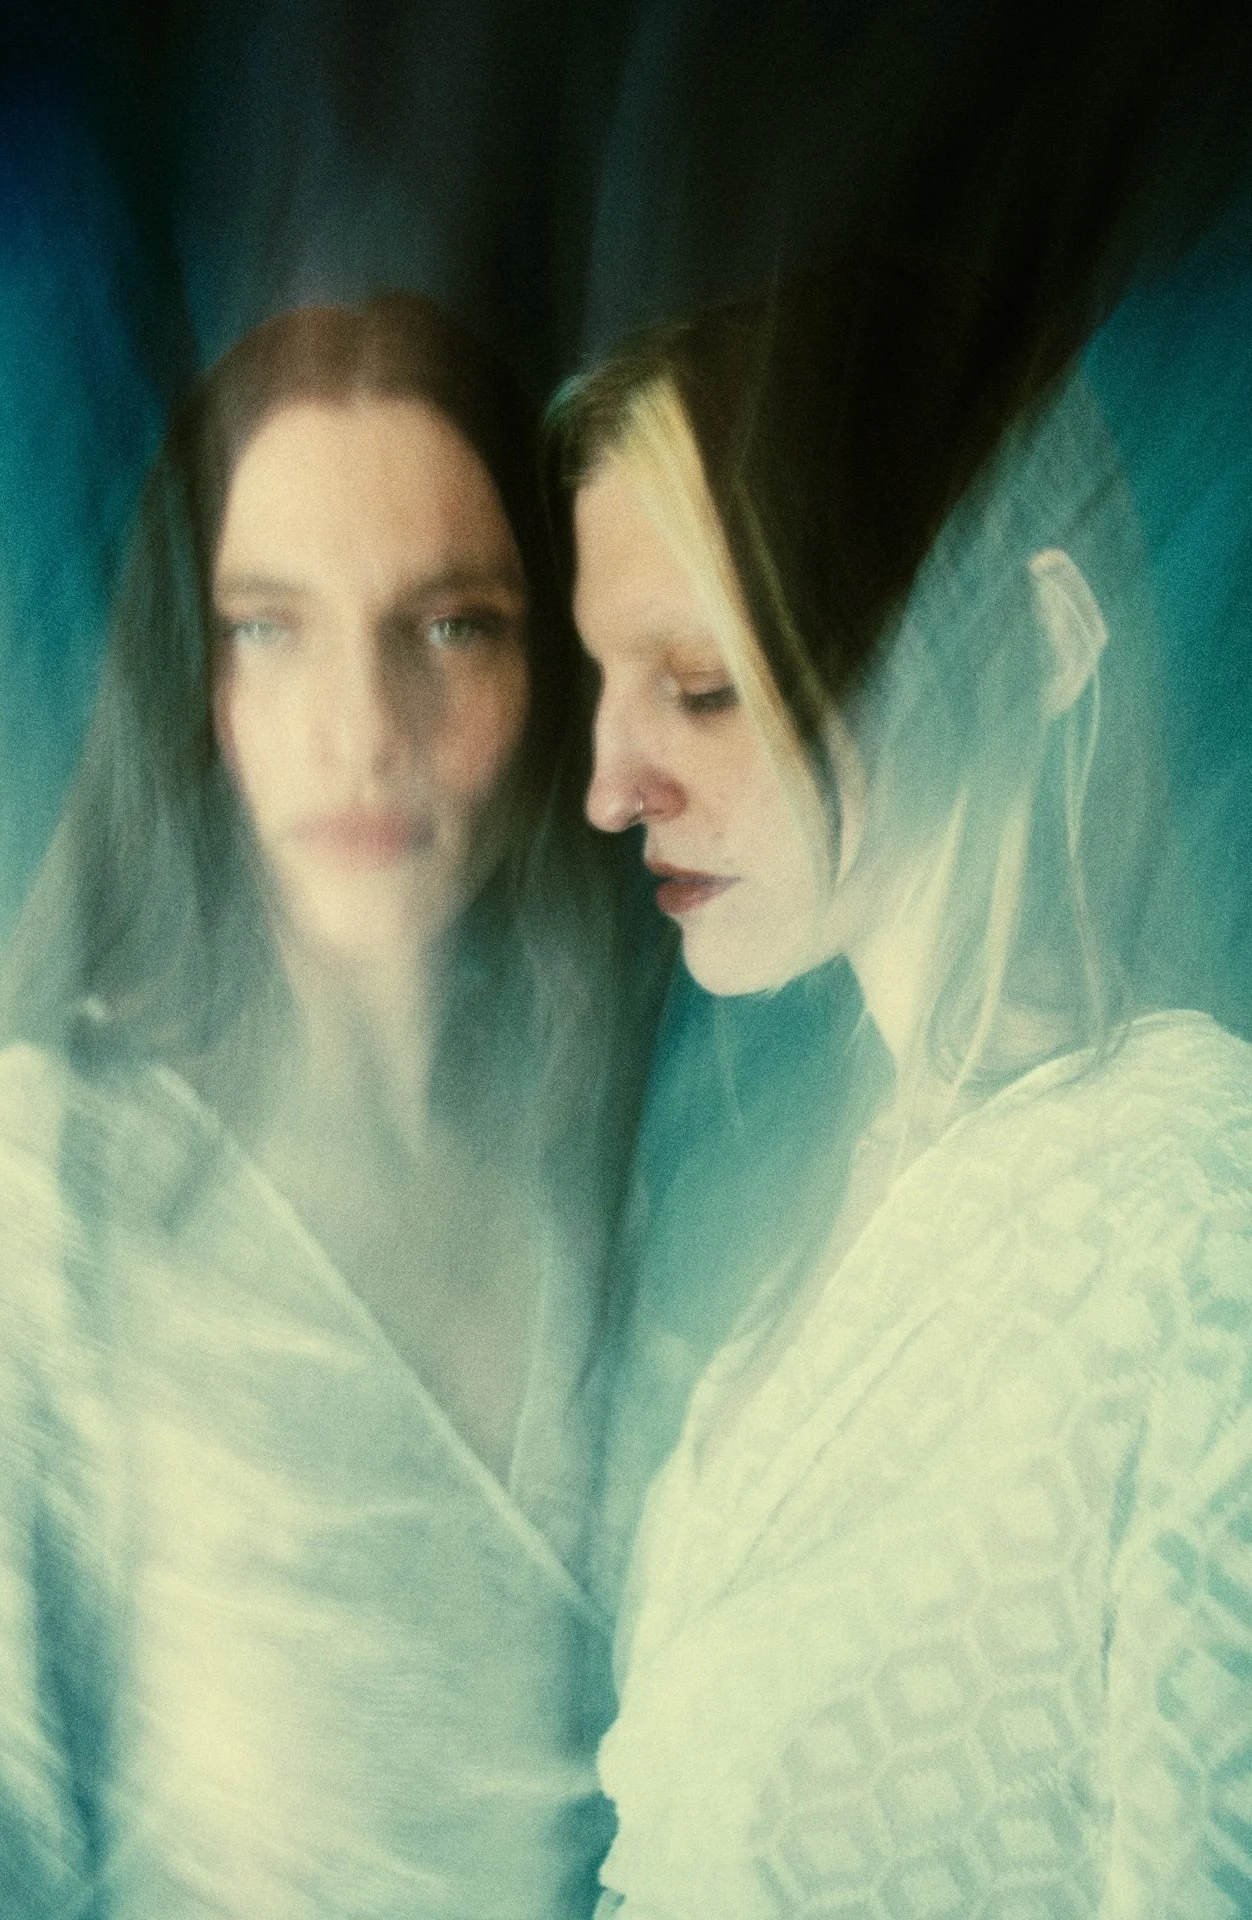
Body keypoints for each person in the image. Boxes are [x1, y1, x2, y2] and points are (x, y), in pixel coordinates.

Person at [0, 293, 654, 1919]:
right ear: (189, 678)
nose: (363, 732)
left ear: (554, 663)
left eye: (452, 626)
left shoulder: (639, 1190)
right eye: (271, 628)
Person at [552, 264, 1252, 1914]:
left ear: (1039, 640)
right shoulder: (787, 1248)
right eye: (604, 682)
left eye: (701, 683)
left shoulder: (1203, 1231)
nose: (607, 786)